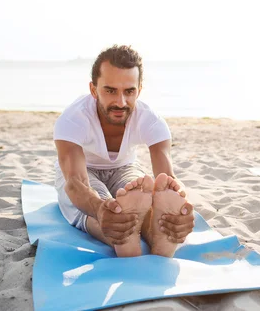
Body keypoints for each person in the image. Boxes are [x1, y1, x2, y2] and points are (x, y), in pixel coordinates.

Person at [53, 45, 194, 257]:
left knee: (143, 192)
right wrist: (100, 210)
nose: (120, 102)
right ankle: (120, 237)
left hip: (125, 168)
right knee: (102, 209)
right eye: (110, 90)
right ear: (93, 90)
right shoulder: (74, 119)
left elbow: (168, 177)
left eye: (129, 91)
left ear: (139, 90)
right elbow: (75, 182)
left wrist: (181, 205)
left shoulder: (151, 121)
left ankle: (159, 233)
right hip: (85, 171)